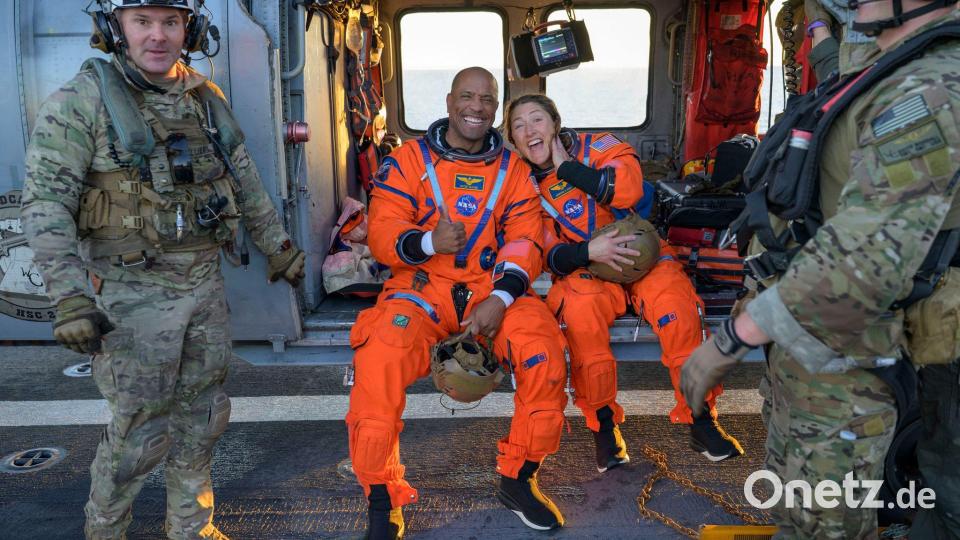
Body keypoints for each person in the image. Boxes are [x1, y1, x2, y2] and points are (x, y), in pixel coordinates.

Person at [21, 1, 305, 538]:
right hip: (131, 292)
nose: (158, 36)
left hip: (203, 283)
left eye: (171, 22)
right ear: (114, 29)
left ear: (190, 28)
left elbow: (243, 179)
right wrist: (70, 297)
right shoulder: (82, 101)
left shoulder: (204, 98)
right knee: (137, 434)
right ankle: (106, 530)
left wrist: (279, 247)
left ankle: (192, 528)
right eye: (142, 22)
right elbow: (45, 203)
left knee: (203, 418)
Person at [681, 0, 960, 537]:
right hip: (820, 340)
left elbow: (865, 255)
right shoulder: (886, 68)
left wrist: (729, 341)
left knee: (824, 525)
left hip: (856, 338)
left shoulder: (930, 88)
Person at [346, 67, 569, 538]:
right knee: (380, 357)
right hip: (423, 287)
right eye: (466, 97)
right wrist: (428, 242)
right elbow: (384, 231)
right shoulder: (409, 160)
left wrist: (503, 297)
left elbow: (526, 242)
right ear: (449, 102)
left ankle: (519, 479)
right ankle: (382, 500)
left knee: (543, 354)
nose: (476, 107)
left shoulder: (512, 171)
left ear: (495, 110)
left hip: (492, 290)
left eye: (487, 100)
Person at [504, 94, 744, 467]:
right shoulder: (522, 186)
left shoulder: (598, 147)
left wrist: (567, 169)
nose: (530, 130)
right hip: (586, 268)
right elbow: (541, 252)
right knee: (580, 314)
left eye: (537, 119)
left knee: (677, 306)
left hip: (640, 252)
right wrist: (589, 253)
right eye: (519, 126)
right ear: (514, 140)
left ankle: (701, 418)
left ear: (555, 122)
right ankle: (604, 427)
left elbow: (629, 189)